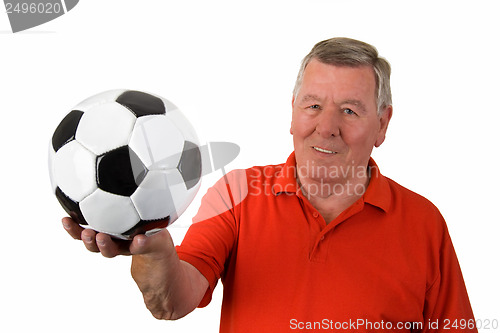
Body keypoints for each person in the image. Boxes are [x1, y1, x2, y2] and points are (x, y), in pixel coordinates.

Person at [62, 37, 477, 332]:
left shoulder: (424, 223)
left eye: (350, 111)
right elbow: (173, 300)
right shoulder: (236, 194)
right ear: (293, 113)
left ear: (382, 124)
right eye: (313, 106)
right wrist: (152, 249)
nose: (326, 128)